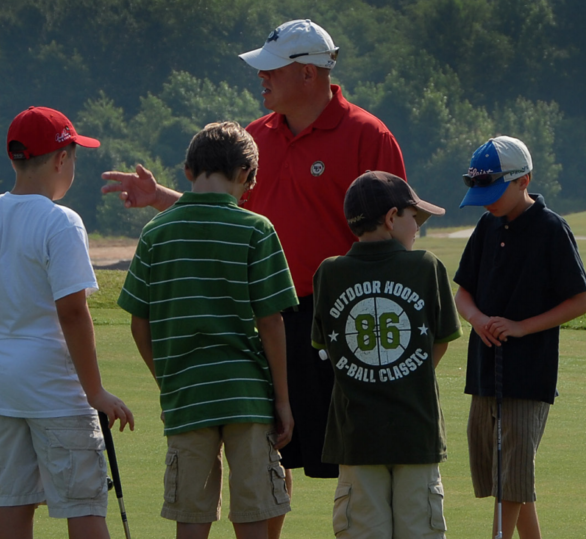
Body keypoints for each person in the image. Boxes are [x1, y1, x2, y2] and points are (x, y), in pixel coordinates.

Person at [100, 24, 407, 533]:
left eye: (272, 67)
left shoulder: (368, 136)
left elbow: (396, 235)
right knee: (269, 460)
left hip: (341, 319)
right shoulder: (255, 136)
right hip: (265, 323)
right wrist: (160, 199)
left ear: (308, 72)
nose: (261, 76)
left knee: (356, 458)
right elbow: (221, 219)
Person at [0, 106, 135, 539]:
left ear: (14, 159)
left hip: (2, 382)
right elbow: (72, 312)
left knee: (13, 502)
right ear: (60, 159)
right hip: (55, 387)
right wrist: (96, 392)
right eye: (73, 155)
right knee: (83, 505)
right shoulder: (61, 221)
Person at [116, 122, 296, 539]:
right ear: (246, 175)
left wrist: (167, 380)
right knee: (253, 513)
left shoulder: (155, 232)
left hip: (187, 395)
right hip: (247, 395)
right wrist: (282, 401)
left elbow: (138, 322)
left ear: (188, 170)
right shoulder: (256, 229)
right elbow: (270, 321)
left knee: (192, 517)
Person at [453, 136, 586, 538]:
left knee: (512, 470)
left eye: (494, 192)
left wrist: (520, 327)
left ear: (523, 180)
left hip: (529, 374)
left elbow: (579, 300)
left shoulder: (551, 228)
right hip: (484, 370)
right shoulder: (487, 224)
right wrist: (477, 318)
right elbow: (463, 292)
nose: (487, 201)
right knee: (502, 468)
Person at [311, 171, 460, 539]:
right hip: (416, 431)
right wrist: (408, 376)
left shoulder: (328, 273)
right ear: (392, 218)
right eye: (416, 219)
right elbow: (439, 341)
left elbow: (326, 345)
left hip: (357, 435)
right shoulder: (426, 266)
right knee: (420, 530)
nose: (418, 229)